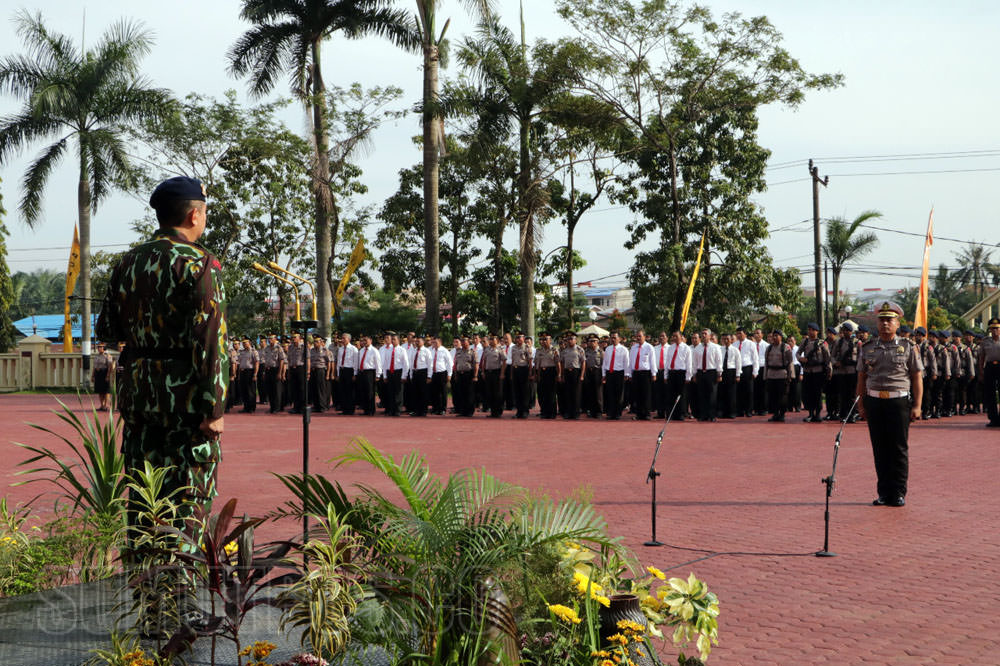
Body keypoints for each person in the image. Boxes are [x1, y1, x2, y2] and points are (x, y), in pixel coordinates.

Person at [96, 175, 227, 628]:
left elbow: (106, 331)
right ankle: (179, 607)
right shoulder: (200, 265)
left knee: (145, 500)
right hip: (188, 403)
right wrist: (214, 409)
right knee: (188, 499)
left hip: (140, 400)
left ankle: (149, 606)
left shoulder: (127, 263)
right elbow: (210, 343)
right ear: (194, 214)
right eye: (205, 211)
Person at [856, 302, 922, 508]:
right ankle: (884, 493)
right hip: (874, 401)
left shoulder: (908, 347)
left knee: (898, 448)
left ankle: (899, 493)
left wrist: (917, 405)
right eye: (882, 320)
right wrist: (861, 404)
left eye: (889, 320)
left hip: (898, 401)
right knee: (880, 448)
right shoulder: (867, 348)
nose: (885, 323)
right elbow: (861, 377)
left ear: (897, 323)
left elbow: (917, 377)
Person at [798, 323, 831, 423]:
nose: (810, 331)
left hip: (818, 371)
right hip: (808, 371)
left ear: (817, 331)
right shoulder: (805, 341)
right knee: (808, 393)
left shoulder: (822, 343)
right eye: (809, 329)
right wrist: (800, 358)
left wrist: (829, 371)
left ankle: (817, 414)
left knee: (817, 393)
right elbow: (797, 352)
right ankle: (810, 413)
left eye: (813, 330)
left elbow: (827, 358)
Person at [688, 330, 722, 422]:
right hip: (700, 372)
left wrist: (719, 373)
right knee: (702, 394)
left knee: (712, 394)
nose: (703, 335)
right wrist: (694, 374)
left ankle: (712, 415)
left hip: (711, 372)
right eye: (702, 334)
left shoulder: (715, 347)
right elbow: (694, 362)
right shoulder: (697, 348)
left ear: (710, 336)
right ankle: (703, 415)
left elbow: (718, 361)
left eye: (705, 334)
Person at [763, 329, 794, 422]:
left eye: (777, 335)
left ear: (781, 337)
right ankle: (775, 414)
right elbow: (766, 363)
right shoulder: (769, 348)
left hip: (782, 375)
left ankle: (782, 414)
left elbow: (790, 362)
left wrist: (790, 376)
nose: (774, 337)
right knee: (773, 396)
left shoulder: (785, 347)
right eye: (773, 336)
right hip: (771, 375)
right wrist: (765, 376)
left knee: (783, 396)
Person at [628, 330, 657, 420]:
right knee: (637, 394)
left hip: (646, 373)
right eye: (637, 336)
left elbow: (652, 361)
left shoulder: (649, 347)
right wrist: (630, 373)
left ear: (644, 337)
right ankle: (639, 414)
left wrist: (654, 373)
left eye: (640, 336)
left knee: (646, 394)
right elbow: (631, 361)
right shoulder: (633, 348)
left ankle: (646, 413)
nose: (638, 338)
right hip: (636, 373)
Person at [602, 332, 629, 420]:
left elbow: (626, 362)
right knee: (610, 393)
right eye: (611, 338)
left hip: (619, 373)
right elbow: (605, 362)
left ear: (619, 339)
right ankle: (610, 412)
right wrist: (604, 374)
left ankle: (617, 413)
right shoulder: (608, 349)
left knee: (619, 394)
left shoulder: (624, 349)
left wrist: (626, 374)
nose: (613, 339)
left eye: (614, 338)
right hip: (610, 372)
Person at [559, 332, 586, 419]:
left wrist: (582, 375)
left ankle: (576, 413)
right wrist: (562, 375)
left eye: (571, 339)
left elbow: (583, 362)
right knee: (567, 393)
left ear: (576, 340)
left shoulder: (580, 349)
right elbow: (562, 363)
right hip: (567, 372)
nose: (569, 341)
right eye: (568, 339)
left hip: (576, 372)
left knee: (576, 393)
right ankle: (568, 412)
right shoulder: (564, 351)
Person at [478, 335, 506, 418]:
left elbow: (504, 361)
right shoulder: (487, 349)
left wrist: (502, 373)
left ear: (497, 340)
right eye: (490, 339)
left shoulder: (500, 349)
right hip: (488, 373)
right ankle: (493, 411)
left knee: (497, 393)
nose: (491, 341)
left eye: (492, 339)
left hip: (496, 372)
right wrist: (483, 372)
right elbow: (484, 361)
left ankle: (498, 411)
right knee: (489, 393)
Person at [979, 318, 1000, 427]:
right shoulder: (985, 341)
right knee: (990, 394)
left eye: (997, 328)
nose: (995, 331)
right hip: (990, 367)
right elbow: (982, 357)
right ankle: (993, 419)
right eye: (992, 329)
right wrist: (981, 371)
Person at [734, 327, 758, 417]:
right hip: (737, 369)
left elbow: (755, 358)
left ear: (745, 334)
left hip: (747, 368)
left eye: (740, 333)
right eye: (737, 333)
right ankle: (739, 410)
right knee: (738, 390)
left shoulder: (751, 344)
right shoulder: (734, 344)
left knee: (749, 390)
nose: (738, 335)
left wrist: (755, 371)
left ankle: (749, 410)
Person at [534, 334, 560, 419]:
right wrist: (537, 374)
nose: (544, 341)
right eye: (543, 339)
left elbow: (557, 363)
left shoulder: (554, 350)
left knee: (551, 394)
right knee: (543, 393)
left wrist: (559, 374)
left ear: (550, 340)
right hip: (542, 372)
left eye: (546, 339)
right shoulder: (539, 350)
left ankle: (552, 412)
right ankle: (544, 412)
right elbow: (537, 363)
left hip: (551, 371)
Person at [355, 335, 382, 415]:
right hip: (362, 372)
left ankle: (371, 410)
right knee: (363, 391)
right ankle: (365, 410)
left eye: (366, 340)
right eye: (363, 340)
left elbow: (378, 363)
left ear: (371, 340)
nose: (364, 342)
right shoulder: (362, 350)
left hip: (370, 372)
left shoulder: (374, 351)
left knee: (370, 392)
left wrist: (378, 375)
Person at [717, 333, 741, 419]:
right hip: (722, 371)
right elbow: (718, 361)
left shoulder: (735, 350)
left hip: (731, 371)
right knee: (721, 392)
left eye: (727, 339)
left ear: (731, 340)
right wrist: (718, 373)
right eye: (724, 339)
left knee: (731, 393)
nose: (726, 341)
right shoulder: (719, 349)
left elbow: (738, 363)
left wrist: (738, 375)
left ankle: (732, 412)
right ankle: (721, 411)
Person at [452, 337, 477, 417]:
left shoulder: (472, 352)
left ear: (468, 343)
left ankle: (469, 411)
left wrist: (475, 376)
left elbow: (475, 365)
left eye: (464, 342)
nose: (463, 344)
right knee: (461, 393)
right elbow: (456, 364)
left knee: (469, 393)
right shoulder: (458, 352)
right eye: (462, 342)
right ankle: (462, 411)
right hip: (460, 374)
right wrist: (455, 375)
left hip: (468, 374)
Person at [408, 335, 432, 417]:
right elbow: (411, 363)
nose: (417, 343)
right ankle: (416, 410)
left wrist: (429, 376)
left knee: (423, 392)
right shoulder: (414, 351)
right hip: (415, 372)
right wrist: (411, 375)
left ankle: (423, 410)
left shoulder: (426, 351)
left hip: (423, 372)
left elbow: (430, 364)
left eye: (419, 341)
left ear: (423, 342)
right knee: (415, 392)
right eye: (416, 341)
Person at [308, 335, 332, 413]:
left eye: (317, 342)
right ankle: (316, 406)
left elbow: (329, 362)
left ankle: (323, 406)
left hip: (321, 370)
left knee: (321, 389)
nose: (315, 343)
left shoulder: (325, 350)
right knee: (314, 388)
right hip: (313, 370)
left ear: (321, 342)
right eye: (314, 341)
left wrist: (328, 373)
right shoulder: (311, 350)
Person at [286, 333, 308, 414]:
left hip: (301, 369)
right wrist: (288, 371)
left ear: (299, 338)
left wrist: (308, 372)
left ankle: (302, 407)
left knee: (302, 389)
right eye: (292, 337)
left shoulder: (303, 347)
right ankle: (296, 407)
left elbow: (307, 359)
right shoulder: (290, 347)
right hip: (292, 368)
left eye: (295, 337)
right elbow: (288, 360)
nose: (293, 338)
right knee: (294, 389)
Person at [582, 335, 603, 418]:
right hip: (588, 372)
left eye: (594, 341)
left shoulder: (601, 352)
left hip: (597, 371)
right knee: (590, 392)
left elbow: (603, 363)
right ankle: (591, 410)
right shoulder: (586, 351)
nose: (592, 343)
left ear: (597, 342)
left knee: (598, 393)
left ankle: (599, 411)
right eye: (590, 341)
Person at [237, 338, 259, 413]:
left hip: (250, 372)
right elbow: (240, 363)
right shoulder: (242, 352)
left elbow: (256, 363)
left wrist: (255, 374)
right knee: (244, 390)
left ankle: (252, 408)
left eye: (245, 343)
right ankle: (246, 407)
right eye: (243, 343)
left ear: (249, 343)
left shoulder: (253, 351)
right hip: (243, 372)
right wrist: (239, 374)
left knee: (251, 391)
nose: (244, 344)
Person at [91, 342, 114, 411]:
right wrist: (93, 376)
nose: (99, 348)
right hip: (98, 374)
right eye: (98, 347)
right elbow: (94, 367)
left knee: (106, 391)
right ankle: (101, 405)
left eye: (100, 347)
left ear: (104, 348)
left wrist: (107, 376)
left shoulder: (107, 356)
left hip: (104, 373)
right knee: (100, 391)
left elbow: (110, 367)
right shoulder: (96, 356)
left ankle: (105, 405)